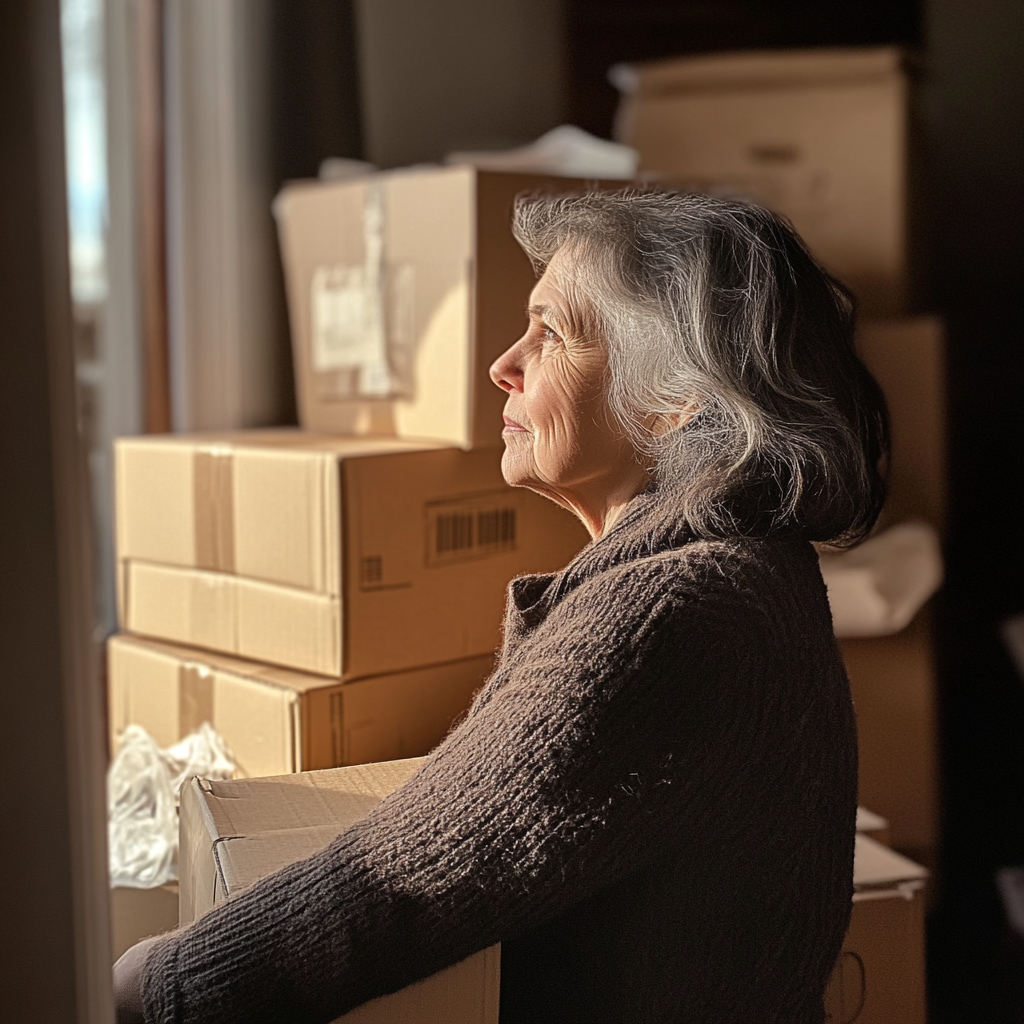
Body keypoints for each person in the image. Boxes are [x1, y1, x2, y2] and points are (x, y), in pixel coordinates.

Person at [115, 189, 888, 1024]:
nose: (504, 364)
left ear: (677, 399)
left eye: (551, 333)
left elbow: (388, 891)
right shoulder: (750, 573)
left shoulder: (672, 616)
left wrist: (157, 985)